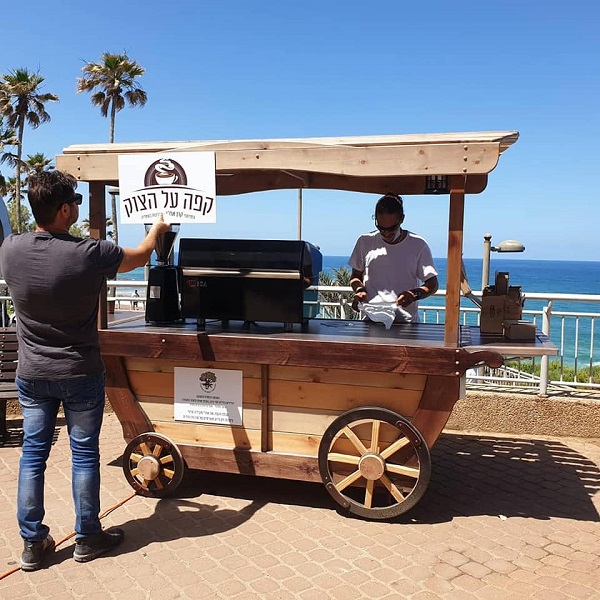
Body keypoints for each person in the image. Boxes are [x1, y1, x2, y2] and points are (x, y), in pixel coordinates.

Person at [0, 170, 171, 571]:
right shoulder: (90, 253)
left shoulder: (10, 249)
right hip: (79, 371)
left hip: (33, 372)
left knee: (32, 456)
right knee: (82, 455)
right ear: (63, 209)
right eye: (75, 201)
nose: (78, 206)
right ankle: (87, 536)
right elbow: (141, 256)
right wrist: (158, 227)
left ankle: (31, 543)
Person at [349, 193, 439, 323]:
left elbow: (433, 284)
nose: (386, 233)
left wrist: (414, 295)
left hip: (407, 324)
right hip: (372, 321)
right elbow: (355, 276)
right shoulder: (364, 242)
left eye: (391, 228)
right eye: (381, 228)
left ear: (402, 219)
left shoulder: (418, 245)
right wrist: (360, 290)